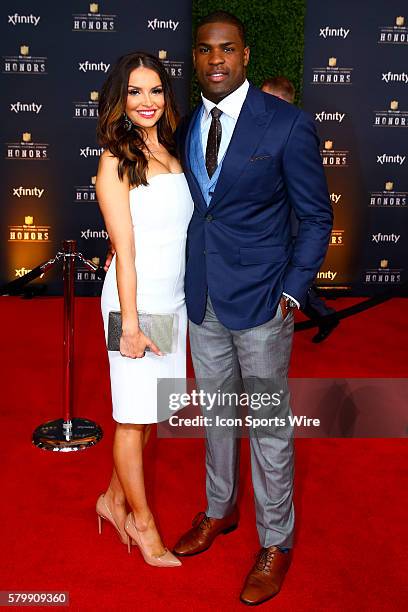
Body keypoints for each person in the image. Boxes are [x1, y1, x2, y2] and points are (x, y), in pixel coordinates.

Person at [171, 11, 333, 605]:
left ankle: (276, 541)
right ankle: (219, 511)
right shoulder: (189, 123)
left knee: (266, 425)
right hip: (204, 298)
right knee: (215, 416)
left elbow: (316, 217)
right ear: (196, 58)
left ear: (245, 56)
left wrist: (292, 291)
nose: (216, 60)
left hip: (265, 302)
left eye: (228, 49)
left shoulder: (287, 125)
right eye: (206, 50)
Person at [95, 51, 193, 568]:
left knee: (150, 415)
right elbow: (125, 252)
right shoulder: (116, 159)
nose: (147, 101)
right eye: (135, 92)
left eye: (154, 90)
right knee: (133, 420)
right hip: (134, 302)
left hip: (171, 303)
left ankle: (111, 501)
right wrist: (129, 325)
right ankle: (142, 522)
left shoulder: (172, 152)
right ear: (120, 99)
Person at [261, 76, 340, 343]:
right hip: (279, 227)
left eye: (266, 97)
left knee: (291, 277)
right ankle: (325, 314)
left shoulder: (296, 128)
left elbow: (313, 204)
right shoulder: (267, 127)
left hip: (293, 225)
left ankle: (325, 315)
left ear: (281, 99)